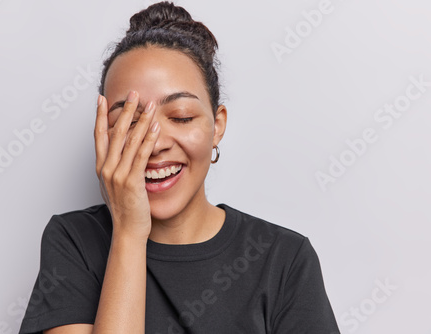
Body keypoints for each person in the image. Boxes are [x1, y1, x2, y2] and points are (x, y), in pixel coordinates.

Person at [19, 2, 340, 333]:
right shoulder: (75, 241)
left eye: (181, 117)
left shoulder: (283, 259)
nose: (154, 143)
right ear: (104, 133)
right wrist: (129, 234)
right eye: (128, 122)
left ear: (217, 126)